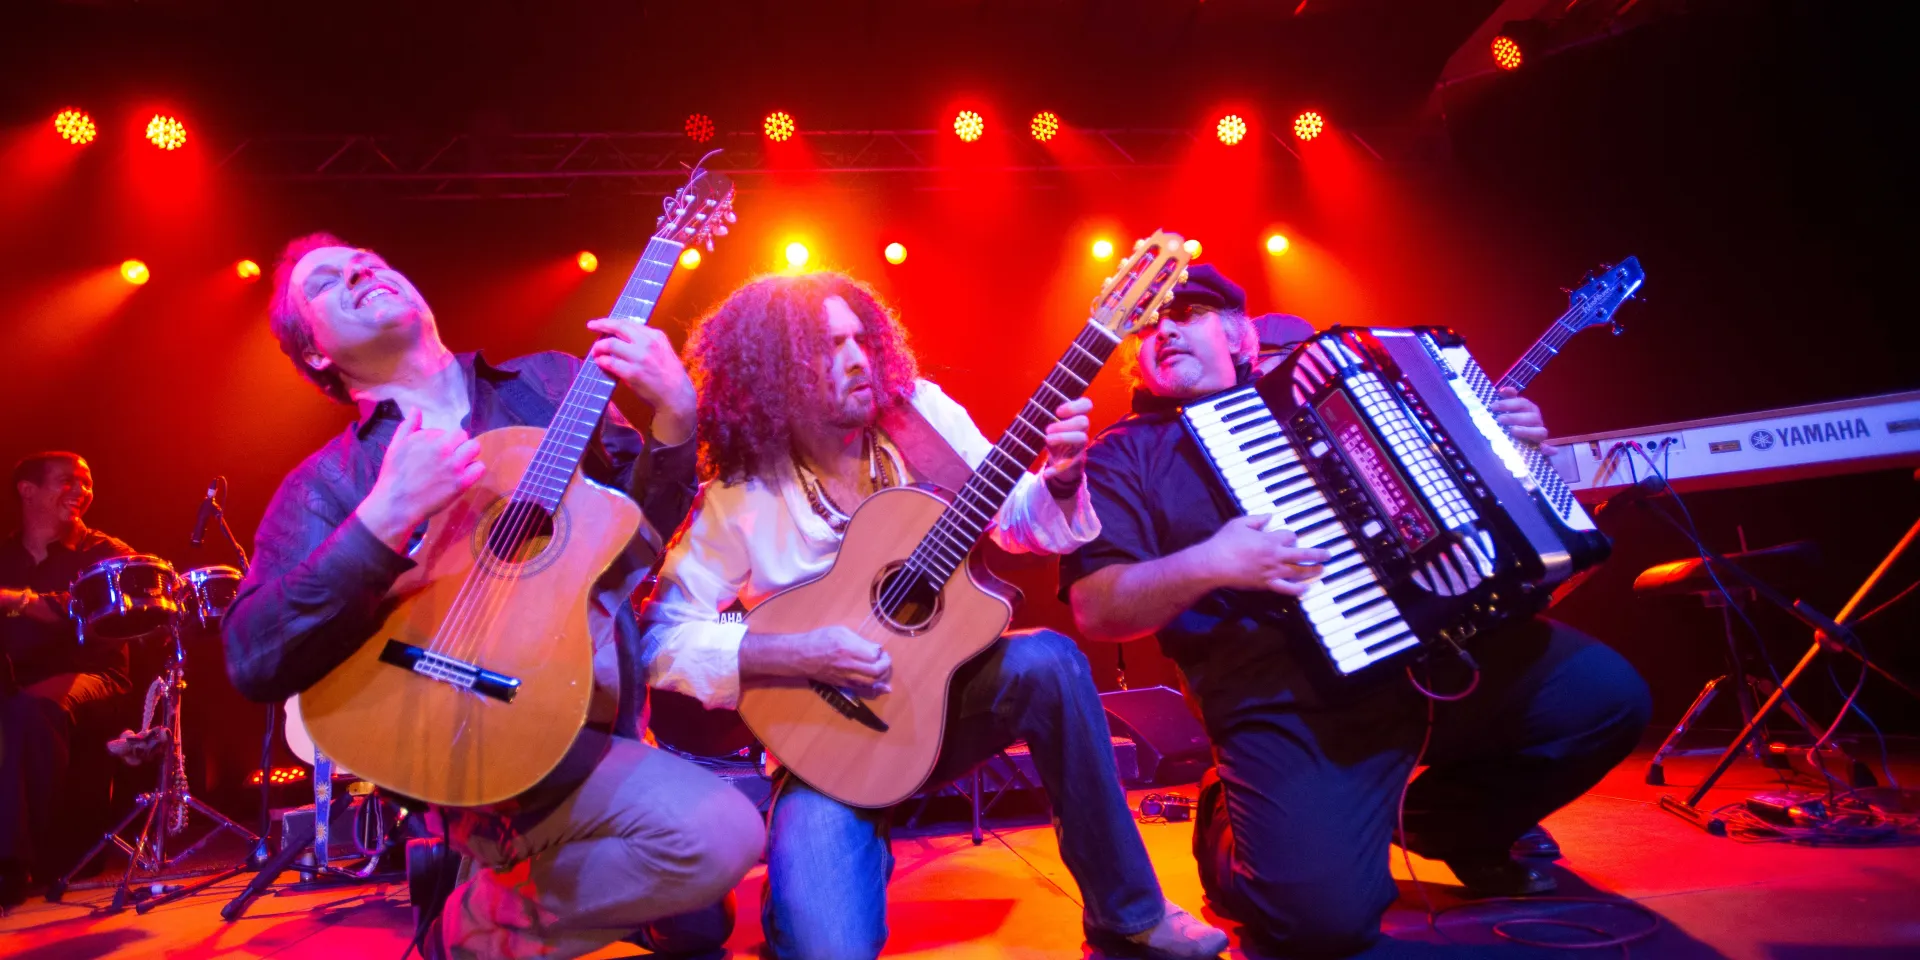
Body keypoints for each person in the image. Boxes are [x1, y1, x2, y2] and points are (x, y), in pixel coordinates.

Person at [1062, 265, 1651, 957]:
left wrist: (1511, 453)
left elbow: (1471, 510)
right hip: (1288, 703)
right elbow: (1095, 609)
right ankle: (1231, 817)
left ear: (1237, 336)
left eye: (1184, 313)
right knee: (1320, 926)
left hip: (1440, 663)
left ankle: (1450, 829)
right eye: (1146, 323)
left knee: (1609, 700)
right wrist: (1209, 562)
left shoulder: (1330, 395)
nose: (1161, 328)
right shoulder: (1119, 458)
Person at [641, 272, 1229, 960]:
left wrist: (1061, 482)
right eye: (829, 347)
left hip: (947, 704)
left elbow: (1014, 520)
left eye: (862, 336)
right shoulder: (742, 493)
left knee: (1050, 662)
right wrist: (794, 653)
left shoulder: (916, 416)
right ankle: (813, 878)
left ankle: (1129, 913)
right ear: (775, 372)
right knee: (824, 947)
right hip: (830, 745)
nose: (859, 357)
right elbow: (662, 634)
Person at [221, 233, 763, 959]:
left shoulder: (549, 386)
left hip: (598, 728)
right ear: (315, 353)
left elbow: (637, 540)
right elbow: (254, 656)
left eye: (372, 260)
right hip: (463, 755)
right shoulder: (329, 482)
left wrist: (676, 422)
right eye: (323, 283)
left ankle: (492, 904)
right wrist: (380, 520)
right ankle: (481, 898)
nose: (360, 268)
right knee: (718, 838)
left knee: (703, 923)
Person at [0, 452, 138, 906]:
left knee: (34, 709)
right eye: (68, 481)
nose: (81, 491)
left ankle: (13, 867)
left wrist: (17, 601)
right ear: (27, 490)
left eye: (86, 483)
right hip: (21, 683)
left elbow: (84, 607)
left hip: (96, 677)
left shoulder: (107, 553)